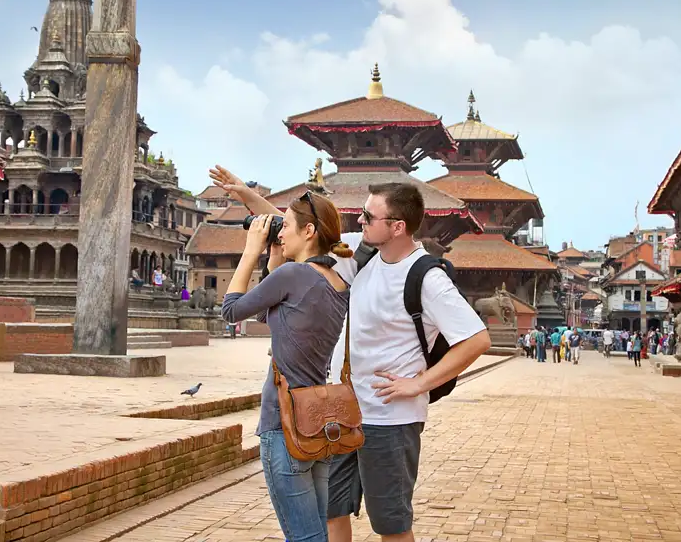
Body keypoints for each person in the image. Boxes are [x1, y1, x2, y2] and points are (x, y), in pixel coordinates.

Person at [210, 165, 491, 542]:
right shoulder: (360, 257)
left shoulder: (426, 276)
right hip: (344, 412)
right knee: (332, 513)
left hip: (391, 420)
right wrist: (245, 193)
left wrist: (419, 383)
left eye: (368, 216)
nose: (359, 220)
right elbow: (299, 229)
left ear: (397, 226)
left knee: (391, 525)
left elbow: (476, 340)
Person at [220, 192, 352, 542]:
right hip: (319, 423)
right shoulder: (338, 283)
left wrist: (251, 249)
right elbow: (272, 314)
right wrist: (274, 260)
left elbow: (232, 311)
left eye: (286, 226)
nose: (280, 232)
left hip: (284, 423)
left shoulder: (294, 275)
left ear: (309, 231)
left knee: (304, 537)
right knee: (317, 532)